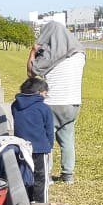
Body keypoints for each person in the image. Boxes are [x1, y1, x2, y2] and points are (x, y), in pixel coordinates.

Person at [27, 20, 85, 184]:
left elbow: (31, 73)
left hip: (53, 103)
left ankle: (46, 175)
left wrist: (33, 51)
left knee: (46, 141)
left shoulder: (50, 55)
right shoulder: (80, 52)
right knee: (67, 139)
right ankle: (68, 175)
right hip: (73, 103)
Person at [11, 77, 54, 202]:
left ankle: (26, 201)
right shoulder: (44, 108)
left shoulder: (15, 105)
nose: (45, 96)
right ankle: (40, 203)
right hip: (40, 148)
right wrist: (49, 146)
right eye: (45, 93)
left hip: (21, 148)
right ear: (40, 92)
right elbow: (49, 130)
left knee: (25, 175)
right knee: (40, 177)